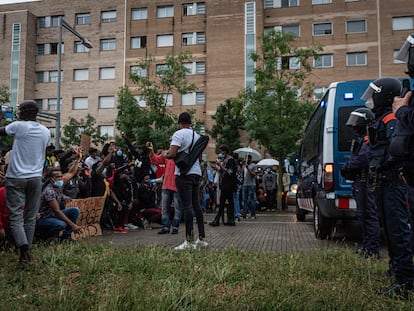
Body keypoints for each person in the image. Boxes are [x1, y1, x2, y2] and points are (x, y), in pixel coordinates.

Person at [362, 77, 414, 298]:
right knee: (390, 232)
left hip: (394, 182)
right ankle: (396, 272)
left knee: (398, 233)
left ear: (384, 95)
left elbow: (396, 149)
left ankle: (406, 282)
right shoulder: (382, 118)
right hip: (384, 181)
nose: (371, 99)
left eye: (375, 94)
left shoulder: (392, 118)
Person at [0, 100, 50, 268]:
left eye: (21, 110)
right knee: (30, 217)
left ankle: (24, 249)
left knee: (15, 216)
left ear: (26, 112)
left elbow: (2, 131)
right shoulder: (45, 131)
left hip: (15, 177)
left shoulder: (19, 126)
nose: (19, 113)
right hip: (36, 178)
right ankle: (25, 256)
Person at [162, 112, 208, 250]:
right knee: (196, 205)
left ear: (179, 123)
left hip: (183, 174)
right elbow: (199, 158)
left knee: (186, 206)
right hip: (196, 173)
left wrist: (164, 153)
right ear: (190, 122)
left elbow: (172, 153)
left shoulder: (178, 134)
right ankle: (201, 238)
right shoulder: (197, 136)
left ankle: (188, 241)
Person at [340, 107, 380, 258]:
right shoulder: (362, 139)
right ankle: (367, 247)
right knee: (363, 216)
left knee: (369, 216)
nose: (353, 126)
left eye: (356, 122)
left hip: (365, 181)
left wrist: (348, 167)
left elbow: (363, 158)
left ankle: (372, 250)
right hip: (360, 181)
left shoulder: (368, 138)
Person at [150, 142, 183, 235]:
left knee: (177, 208)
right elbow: (155, 160)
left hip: (177, 185)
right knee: (165, 207)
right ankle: (166, 226)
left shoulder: (181, 154)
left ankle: (175, 227)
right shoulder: (166, 153)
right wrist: (151, 150)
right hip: (166, 184)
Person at [209, 145, 237, 227]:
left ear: (225, 151)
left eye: (222, 151)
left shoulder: (230, 160)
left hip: (228, 185)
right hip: (225, 184)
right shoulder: (224, 160)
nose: (221, 153)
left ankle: (218, 220)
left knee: (222, 202)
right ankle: (230, 219)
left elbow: (229, 172)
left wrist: (220, 165)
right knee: (229, 202)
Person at [242, 154, 257, 219]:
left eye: (248, 158)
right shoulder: (244, 167)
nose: (247, 160)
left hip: (251, 184)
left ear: (250, 159)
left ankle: (253, 214)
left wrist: (248, 168)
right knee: (244, 200)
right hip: (245, 184)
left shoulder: (253, 166)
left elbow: (254, 174)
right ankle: (244, 214)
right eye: (246, 158)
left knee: (251, 199)